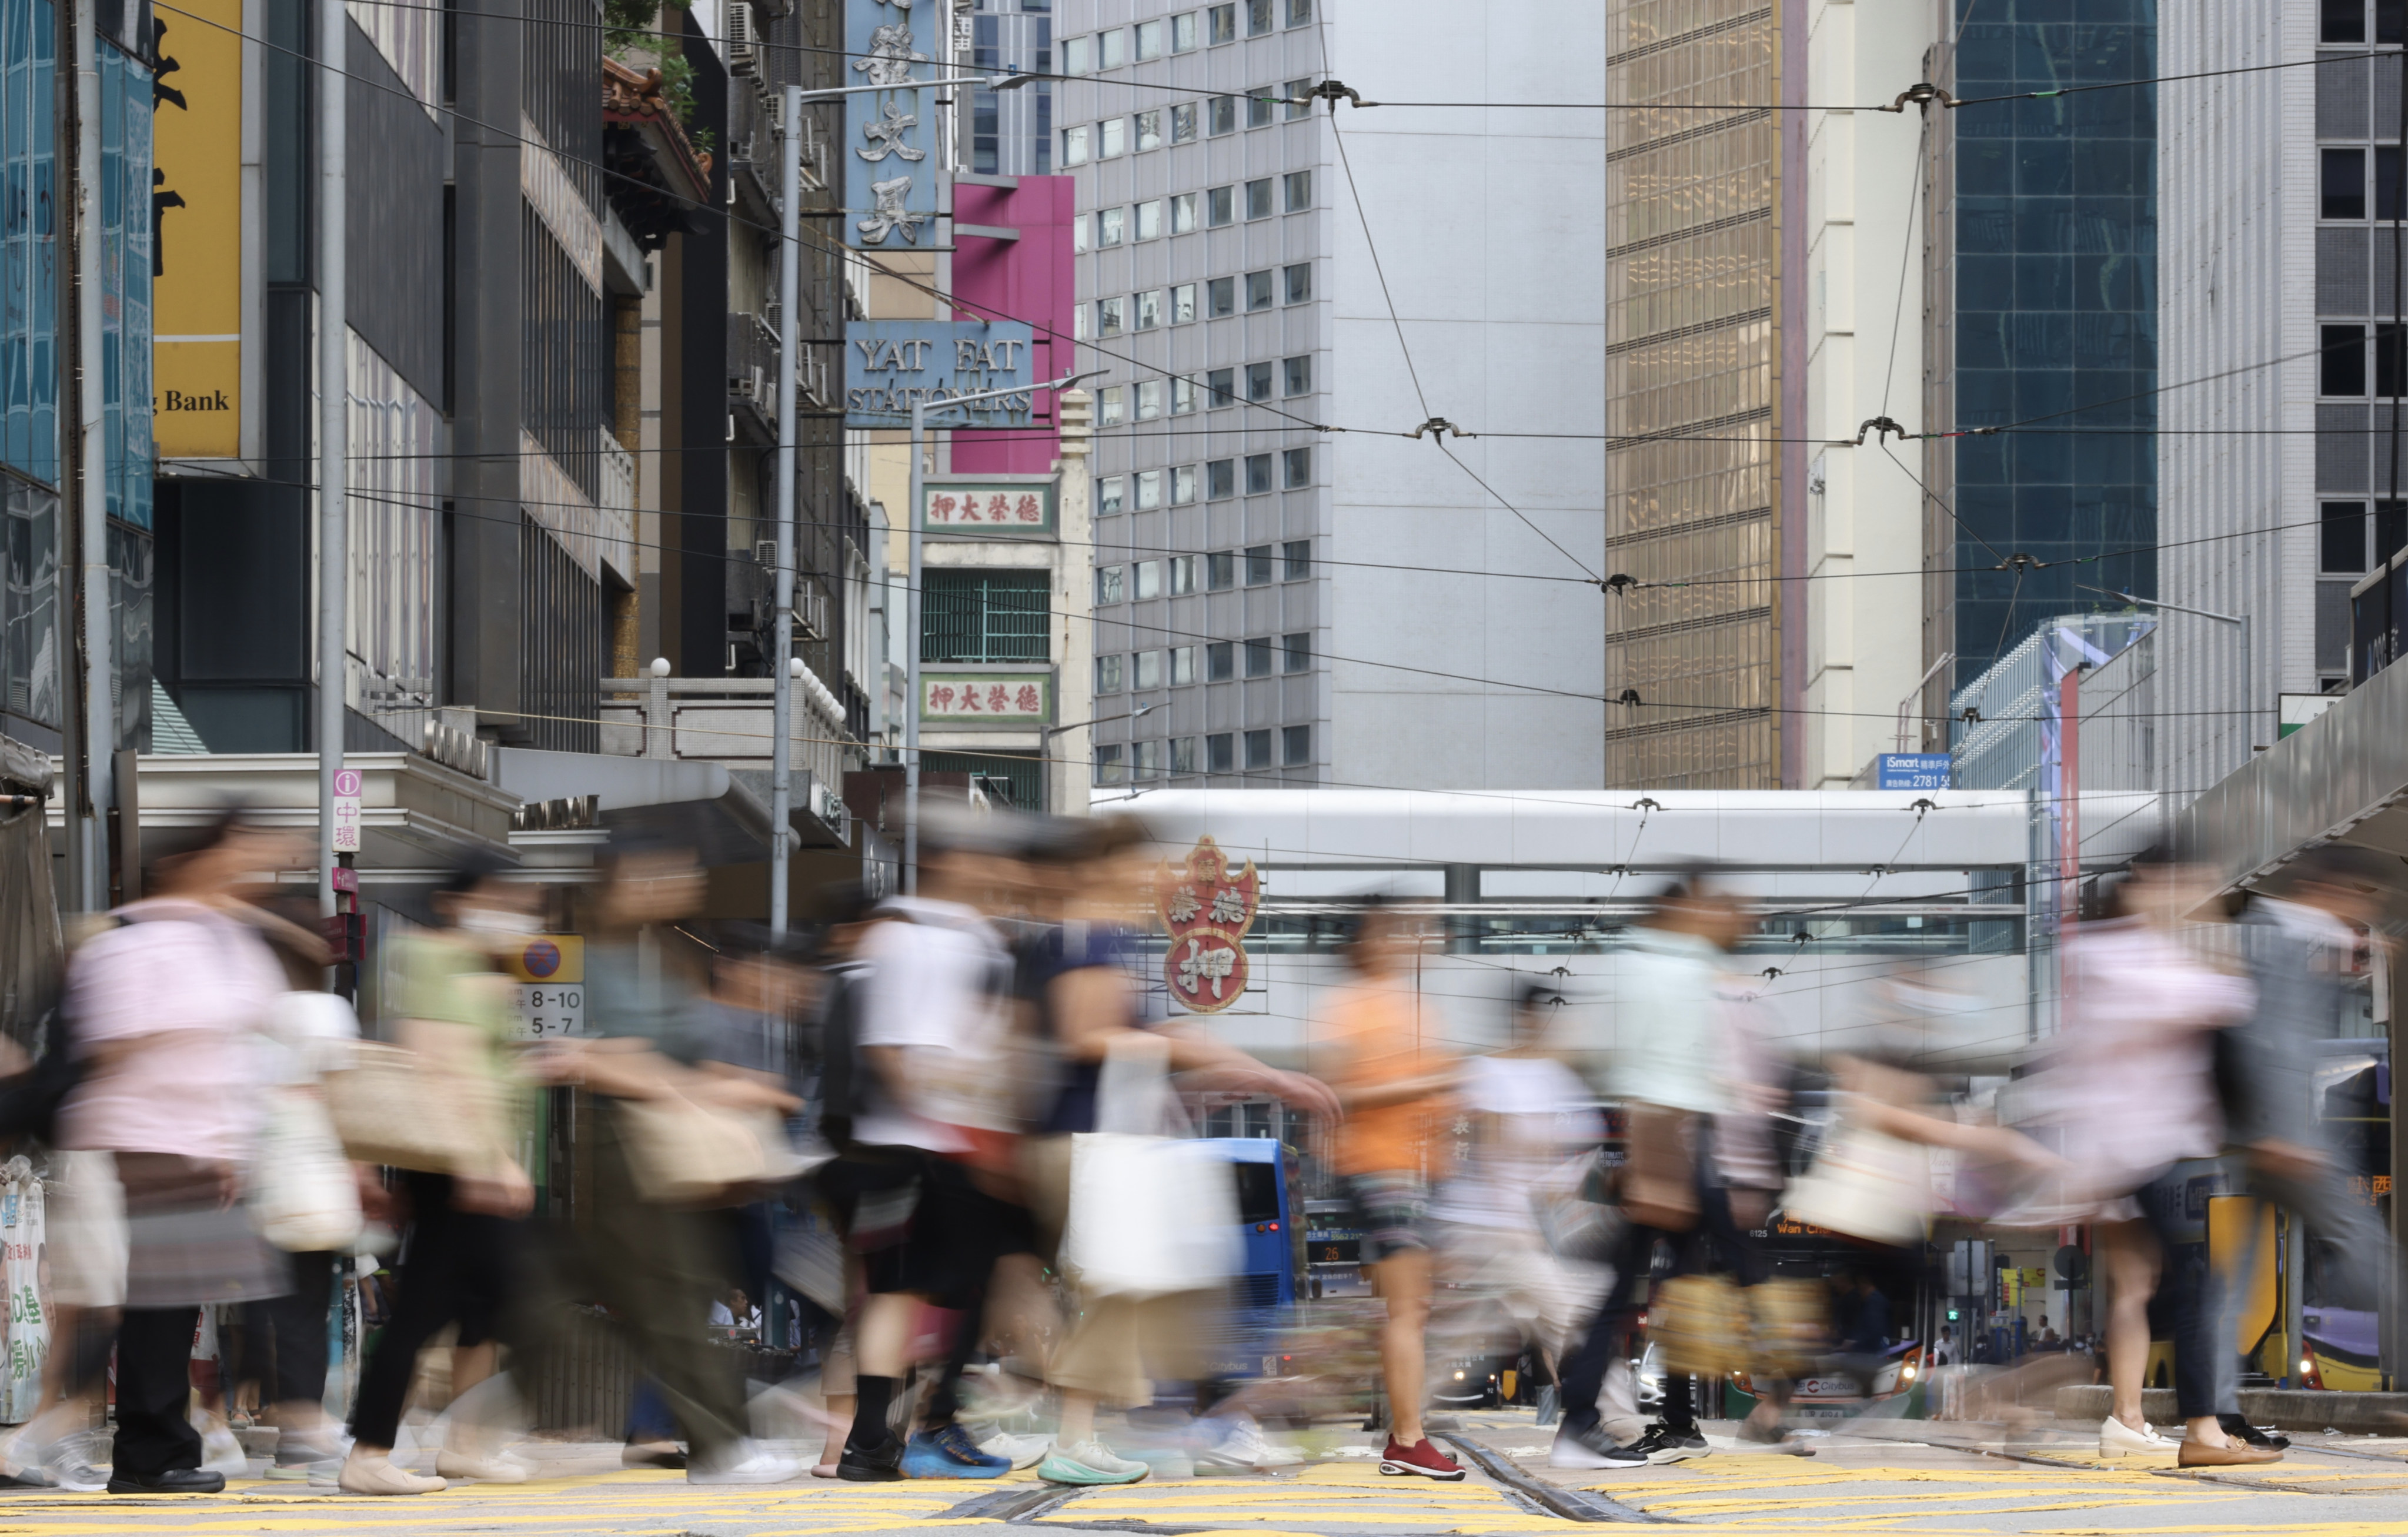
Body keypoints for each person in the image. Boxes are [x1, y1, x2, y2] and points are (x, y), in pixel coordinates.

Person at [1019, 818, 1337, 1484]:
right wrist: (1244, 1068)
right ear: (1103, 865)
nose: (1150, 881)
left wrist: (1213, 1070)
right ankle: (1116, 1429)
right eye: (1140, 866)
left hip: (1096, 1139)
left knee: (1133, 1292)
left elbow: (1121, 1039)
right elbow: (1088, 1036)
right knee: (1131, 1289)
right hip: (1094, 1142)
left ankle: (1139, 1426)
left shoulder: (1088, 936)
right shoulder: (1089, 935)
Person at [55, 811, 295, 1495]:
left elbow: (248, 1039)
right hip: (144, 1134)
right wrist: (181, 1041)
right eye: (241, 855)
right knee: (160, 1300)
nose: (251, 873)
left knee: (174, 1297)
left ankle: (154, 1443)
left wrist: (225, 1141)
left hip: (190, 1141)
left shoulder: (221, 936)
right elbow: (110, 1045)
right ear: (196, 859)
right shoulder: (138, 938)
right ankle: (145, 1449)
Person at [2029, 851, 2271, 1468]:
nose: (2187, 895)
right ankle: (2203, 1430)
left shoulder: (2119, 951)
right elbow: (2224, 997)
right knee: (2196, 1290)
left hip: (2123, 1150)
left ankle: (2128, 1418)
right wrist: (2213, 923)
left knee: (2136, 1287)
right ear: (2149, 882)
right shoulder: (2124, 954)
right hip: (2147, 1150)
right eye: (2182, 882)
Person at [827, 810, 1027, 1482]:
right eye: (981, 857)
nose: (992, 870)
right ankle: (882, 1435)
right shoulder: (904, 936)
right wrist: (948, 1116)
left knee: (929, 1291)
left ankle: (892, 1434)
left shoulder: (977, 940)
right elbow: (885, 1048)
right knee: (909, 1291)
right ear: (947, 862)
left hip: (942, 1144)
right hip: (915, 1148)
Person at [339, 855, 543, 1495]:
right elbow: (438, 1067)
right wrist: (490, 1161)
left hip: (475, 1164)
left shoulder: (484, 973)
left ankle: (464, 1444)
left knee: (486, 1306)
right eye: (507, 899)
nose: (519, 915)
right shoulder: (434, 959)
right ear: (458, 901)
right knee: (426, 1311)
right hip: (460, 1167)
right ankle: (368, 1451)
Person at [1552, 870, 1755, 1471]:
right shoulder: (1676, 970)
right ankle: (1792, 1384)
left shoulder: (1660, 963)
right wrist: (1655, 1167)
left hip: (1673, 1148)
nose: (1735, 916)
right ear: (1684, 908)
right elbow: (1653, 1073)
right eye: (1718, 904)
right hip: (1671, 1148)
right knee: (1738, 1272)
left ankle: (1645, 1420)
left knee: (1660, 1288)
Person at [2215, 844, 2399, 1451]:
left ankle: (2216, 1408)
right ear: (2335, 889)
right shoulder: (2281, 935)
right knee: (2366, 1246)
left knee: (2236, 1281)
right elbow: (2268, 1037)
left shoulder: (2279, 931)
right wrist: (2282, 1131)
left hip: (2258, 1131)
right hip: (2281, 1134)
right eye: (2360, 901)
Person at [1320, 900, 1465, 1481]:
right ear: (1367, 941)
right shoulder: (1354, 1004)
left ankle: (1403, 1430)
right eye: (1396, 930)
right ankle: (1408, 1439)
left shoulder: (1408, 1002)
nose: (1411, 939)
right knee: (1408, 1307)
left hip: (1411, 1169)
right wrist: (1434, 1080)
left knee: (1414, 1306)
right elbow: (1342, 1093)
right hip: (1380, 1166)